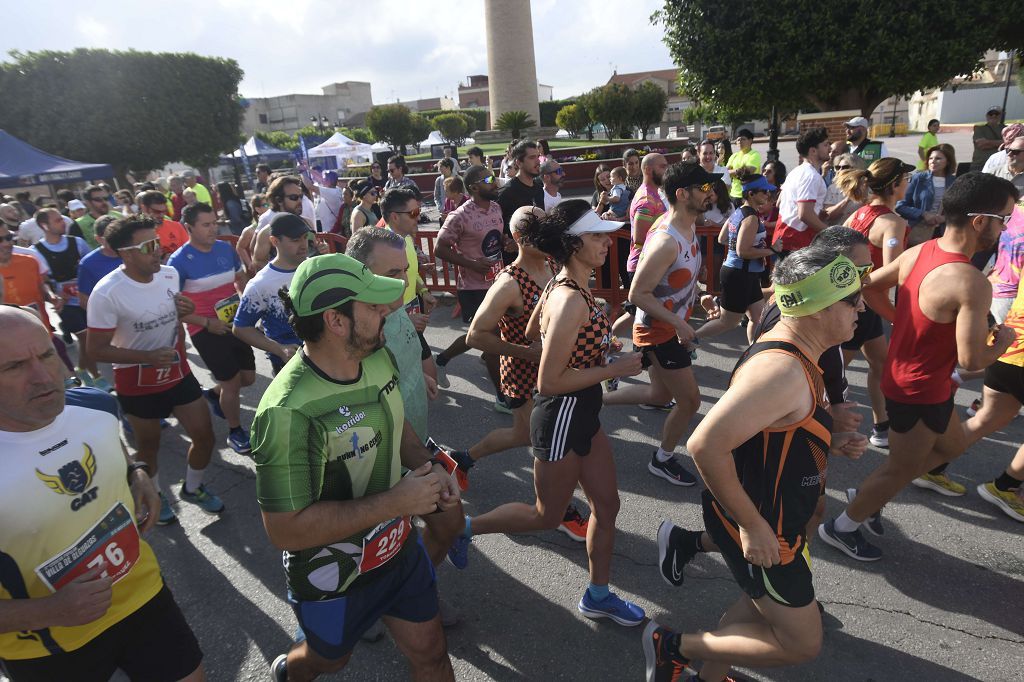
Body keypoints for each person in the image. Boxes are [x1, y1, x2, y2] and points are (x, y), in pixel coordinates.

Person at [644, 247, 867, 682]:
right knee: (801, 642)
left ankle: (709, 675)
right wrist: (754, 526)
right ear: (817, 307)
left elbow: (772, 429)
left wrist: (828, 440)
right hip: (766, 525)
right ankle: (671, 646)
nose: (862, 307)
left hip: (781, 514)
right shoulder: (782, 369)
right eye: (851, 298)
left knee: (757, 605)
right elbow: (705, 445)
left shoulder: (802, 353)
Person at [251, 253, 458, 682]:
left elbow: (396, 427)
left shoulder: (377, 355)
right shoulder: (287, 412)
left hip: (398, 549)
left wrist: (430, 466)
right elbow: (285, 529)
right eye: (372, 305)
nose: (386, 310)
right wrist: (396, 501)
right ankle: (289, 670)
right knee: (329, 661)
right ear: (336, 321)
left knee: (433, 654)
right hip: (332, 576)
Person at [446, 199, 646, 627]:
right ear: (573, 244)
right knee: (546, 516)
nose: (607, 242)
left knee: (607, 507)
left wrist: (591, 348)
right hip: (560, 415)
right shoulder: (570, 296)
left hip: (585, 412)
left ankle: (598, 595)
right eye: (596, 235)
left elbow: (536, 325)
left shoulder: (563, 282)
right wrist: (611, 367)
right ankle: (464, 528)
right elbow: (548, 382)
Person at [819, 172, 1019, 561]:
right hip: (919, 389)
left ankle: (871, 493)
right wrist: (1006, 344)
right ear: (980, 221)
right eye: (1005, 219)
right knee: (899, 469)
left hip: (922, 383)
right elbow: (972, 360)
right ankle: (842, 526)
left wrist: (903, 318)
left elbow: (868, 285)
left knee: (955, 444)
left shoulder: (920, 250)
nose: (1006, 227)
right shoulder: (972, 281)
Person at [0, 307, 205, 682]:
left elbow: (111, 445)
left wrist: (135, 470)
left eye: (47, 354)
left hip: (143, 594)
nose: (44, 376)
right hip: (48, 642)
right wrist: (48, 611)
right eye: (13, 367)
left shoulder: (97, 406)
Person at [86, 215, 222, 526]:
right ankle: (156, 496)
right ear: (126, 253)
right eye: (149, 245)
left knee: (205, 435)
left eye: (158, 242)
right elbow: (95, 349)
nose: (158, 250)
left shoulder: (170, 274)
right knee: (149, 447)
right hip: (136, 380)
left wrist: (189, 315)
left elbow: (174, 313)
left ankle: (193, 486)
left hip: (175, 369)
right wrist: (146, 357)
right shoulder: (107, 293)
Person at [605, 162, 721, 486]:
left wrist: (700, 296)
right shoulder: (666, 240)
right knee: (690, 400)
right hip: (659, 330)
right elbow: (638, 293)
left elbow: (674, 283)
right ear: (683, 194)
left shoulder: (688, 224)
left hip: (668, 325)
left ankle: (589, 399)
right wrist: (679, 324)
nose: (710, 193)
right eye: (705, 188)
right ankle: (663, 459)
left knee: (658, 394)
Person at [838, 158, 916, 448]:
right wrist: (898, 315)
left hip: (852, 301)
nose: (908, 183)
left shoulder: (859, 213)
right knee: (828, 371)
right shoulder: (893, 222)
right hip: (863, 306)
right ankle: (801, 419)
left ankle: (882, 426)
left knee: (880, 363)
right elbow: (889, 275)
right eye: (905, 179)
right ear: (895, 184)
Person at [168, 203, 254, 454]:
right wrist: (206, 323)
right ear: (189, 228)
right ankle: (235, 431)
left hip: (232, 323)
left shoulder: (225, 249)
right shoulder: (178, 262)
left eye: (215, 223)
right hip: (204, 328)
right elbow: (173, 306)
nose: (213, 229)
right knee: (232, 382)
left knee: (247, 378)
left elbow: (240, 280)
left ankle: (215, 395)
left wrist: (247, 300)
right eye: (206, 225)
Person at [433, 166, 506, 406]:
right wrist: (472, 264)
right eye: (489, 179)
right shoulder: (459, 216)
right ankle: (502, 398)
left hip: (499, 282)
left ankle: (441, 360)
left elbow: (496, 241)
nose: (494, 182)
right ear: (474, 187)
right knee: (492, 339)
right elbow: (439, 248)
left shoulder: (496, 208)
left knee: (482, 336)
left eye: (494, 177)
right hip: (473, 288)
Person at [696, 173, 779, 343]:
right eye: (764, 191)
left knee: (758, 317)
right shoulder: (751, 218)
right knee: (728, 322)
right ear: (751, 194)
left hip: (743, 273)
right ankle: (690, 338)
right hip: (739, 274)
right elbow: (743, 251)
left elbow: (722, 238)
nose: (767, 195)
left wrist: (741, 245)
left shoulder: (739, 212)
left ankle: (753, 351)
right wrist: (770, 250)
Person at [31, 208, 103, 389]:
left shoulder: (77, 243)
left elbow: (90, 267)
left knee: (90, 338)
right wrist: (53, 296)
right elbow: (43, 282)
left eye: (62, 219)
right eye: (57, 221)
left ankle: (81, 367)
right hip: (66, 304)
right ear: (44, 225)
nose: (63, 223)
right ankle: (96, 377)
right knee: (85, 336)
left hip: (86, 298)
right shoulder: (36, 251)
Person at [232, 214, 310, 377]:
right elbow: (240, 328)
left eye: (304, 237)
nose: (303, 245)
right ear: (275, 242)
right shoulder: (260, 284)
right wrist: (279, 349)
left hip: (324, 357)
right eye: (295, 240)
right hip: (289, 365)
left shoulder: (313, 266)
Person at [771, 126, 830, 255]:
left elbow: (779, 203)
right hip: (796, 241)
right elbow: (804, 214)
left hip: (785, 239)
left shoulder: (796, 171)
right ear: (813, 151)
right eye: (825, 145)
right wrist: (831, 233)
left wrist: (817, 213)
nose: (829, 148)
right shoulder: (811, 176)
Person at [896, 143, 958, 246]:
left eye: (938, 158)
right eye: (930, 158)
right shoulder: (918, 178)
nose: (933, 161)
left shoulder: (954, 182)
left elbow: (960, 210)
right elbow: (900, 206)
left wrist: (945, 218)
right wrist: (923, 214)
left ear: (948, 162)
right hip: (918, 233)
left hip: (943, 234)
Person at [253, 176, 307, 271]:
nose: (299, 201)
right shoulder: (267, 229)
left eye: (301, 197)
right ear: (279, 200)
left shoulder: (306, 222)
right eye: (294, 197)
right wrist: (284, 275)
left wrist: (322, 248)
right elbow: (258, 261)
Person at [496, 140, 545, 241]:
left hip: (538, 251)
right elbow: (497, 229)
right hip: (516, 255)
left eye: (538, 156)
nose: (538, 161)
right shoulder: (506, 193)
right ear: (518, 162)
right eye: (532, 157)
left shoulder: (539, 187)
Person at [137, 191, 189, 261]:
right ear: (144, 209)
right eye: (156, 212)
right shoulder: (136, 232)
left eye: (164, 211)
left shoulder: (176, 226)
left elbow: (188, 251)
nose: (161, 215)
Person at [822, 152, 867, 226]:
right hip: (838, 231)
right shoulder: (833, 188)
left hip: (860, 229)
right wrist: (847, 199)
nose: (840, 170)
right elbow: (827, 215)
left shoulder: (867, 187)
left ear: (857, 168)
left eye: (845, 167)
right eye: (837, 167)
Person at [725, 129, 762, 207]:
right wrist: (738, 171)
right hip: (733, 194)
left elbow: (748, 172)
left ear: (750, 141)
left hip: (747, 196)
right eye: (738, 139)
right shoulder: (734, 156)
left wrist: (733, 172)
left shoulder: (754, 155)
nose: (740, 141)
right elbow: (725, 172)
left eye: (743, 139)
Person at [237, 193, 269, 275]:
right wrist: (249, 263)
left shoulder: (275, 222)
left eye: (270, 203)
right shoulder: (250, 230)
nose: (269, 206)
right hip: (262, 270)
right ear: (257, 209)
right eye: (266, 204)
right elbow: (240, 247)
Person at [972, 106, 1004, 171]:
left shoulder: (1006, 129)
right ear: (987, 116)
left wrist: (988, 142)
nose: (993, 116)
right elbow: (981, 145)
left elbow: (1012, 144)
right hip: (980, 165)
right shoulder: (979, 129)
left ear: (1000, 116)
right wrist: (1003, 143)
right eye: (991, 114)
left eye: (996, 114)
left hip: (1000, 165)